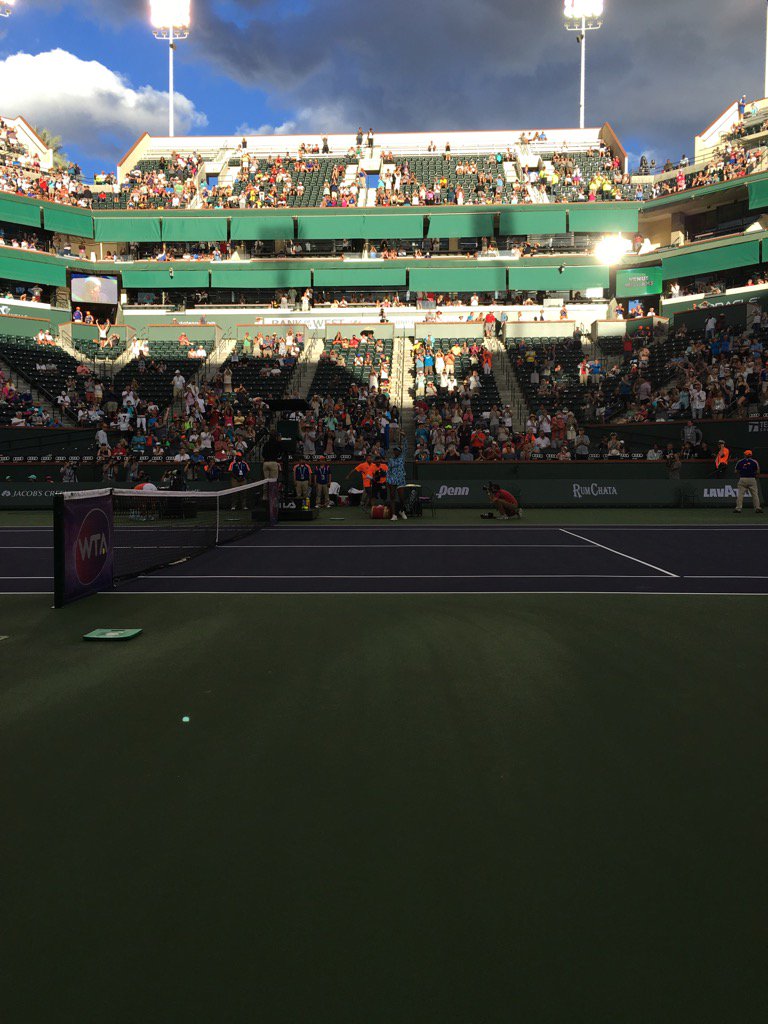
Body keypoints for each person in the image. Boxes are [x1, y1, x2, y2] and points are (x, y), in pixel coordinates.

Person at [733, 449, 763, 514]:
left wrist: (741, 473)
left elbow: (735, 471)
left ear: (744, 455)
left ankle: (738, 508)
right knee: (755, 494)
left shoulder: (740, 461)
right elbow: (758, 471)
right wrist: (755, 477)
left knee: (740, 495)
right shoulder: (754, 461)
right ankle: (757, 508)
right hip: (752, 479)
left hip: (743, 479)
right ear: (751, 455)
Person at [386, 439, 408, 521]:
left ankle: (402, 511)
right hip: (392, 480)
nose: (395, 452)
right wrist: (388, 480)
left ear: (400, 452)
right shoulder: (391, 460)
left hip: (401, 480)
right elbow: (388, 471)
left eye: (397, 450)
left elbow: (406, 448)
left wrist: (404, 437)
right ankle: (394, 515)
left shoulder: (402, 458)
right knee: (392, 497)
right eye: (394, 450)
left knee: (402, 498)